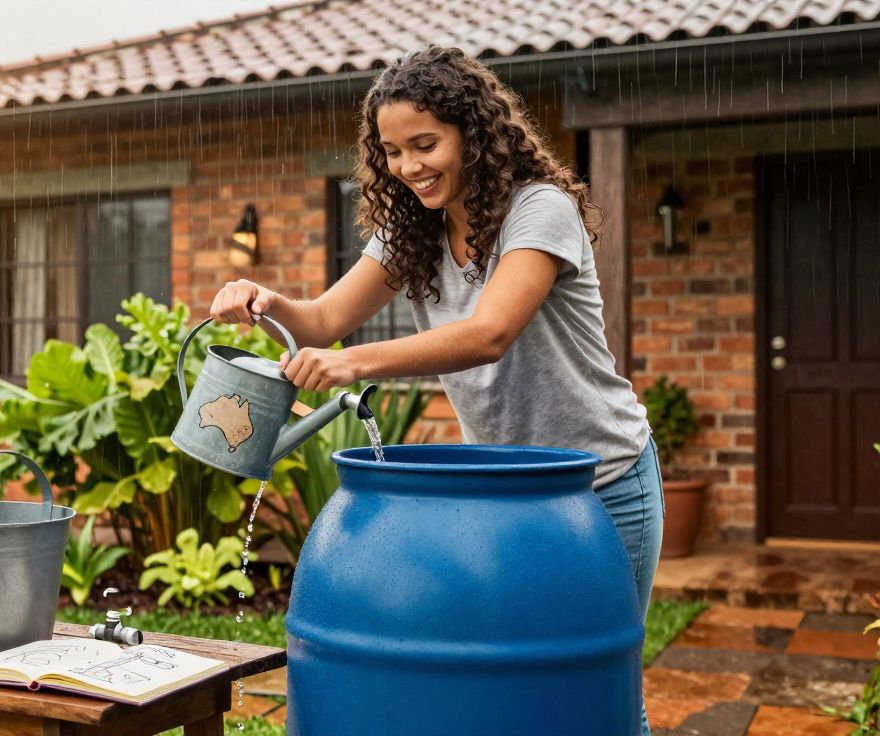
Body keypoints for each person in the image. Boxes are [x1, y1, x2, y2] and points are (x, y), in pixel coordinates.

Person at [209, 45, 662, 735]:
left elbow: (490, 332)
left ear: (472, 136)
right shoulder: (412, 230)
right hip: (502, 497)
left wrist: (357, 363)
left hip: (600, 486)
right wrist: (264, 300)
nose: (410, 166)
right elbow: (325, 320)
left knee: (595, 698)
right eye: (392, 151)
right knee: (509, 692)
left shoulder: (537, 212)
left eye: (426, 144)